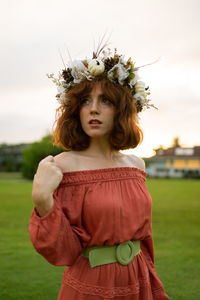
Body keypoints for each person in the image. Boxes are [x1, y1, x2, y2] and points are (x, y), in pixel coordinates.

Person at [29, 46, 170, 299]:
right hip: (92, 283)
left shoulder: (137, 165)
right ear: (76, 109)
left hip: (139, 278)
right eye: (85, 101)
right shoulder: (63, 167)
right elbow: (63, 250)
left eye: (105, 100)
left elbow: (145, 238)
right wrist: (42, 200)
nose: (93, 109)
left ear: (122, 109)